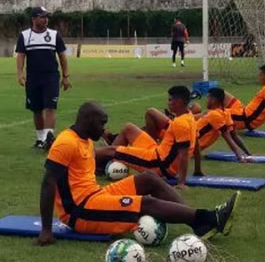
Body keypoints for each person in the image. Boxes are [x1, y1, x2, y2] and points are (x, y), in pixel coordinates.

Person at [37, 101, 239, 246]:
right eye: (101, 123)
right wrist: (46, 229)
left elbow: (87, 160)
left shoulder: (84, 139)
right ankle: (209, 218)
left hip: (95, 195)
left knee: (149, 179)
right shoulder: (65, 143)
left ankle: (196, 222)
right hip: (79, 211)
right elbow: (48, 183)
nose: (104, 128)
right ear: (88, 121)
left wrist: (111, 152)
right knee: (144, 203)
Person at [96, 86, 196, 190]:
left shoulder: (181, 123)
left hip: (157, 164)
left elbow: (184, 154)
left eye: (170, 100)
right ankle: (103, 165)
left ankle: (85, 159)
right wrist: (198, 170)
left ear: (179, 102)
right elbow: (195, 145)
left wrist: (181, 183)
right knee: (128, 128)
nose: (168, 103)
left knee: (112, 150)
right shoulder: (189, 117)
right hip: (158, 153)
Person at [16, 6, 72, 149]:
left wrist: (66, 76)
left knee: (50, 107)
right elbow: (21, 55)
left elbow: (62, 56)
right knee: (36, 109)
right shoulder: (24, 35)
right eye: (42, 17)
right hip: (33, 78)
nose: (46, 19)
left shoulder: (54, 35)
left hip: (51, 77)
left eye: (47, 16)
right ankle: (40, 140)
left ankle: (49, 139)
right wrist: (20, 73)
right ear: (34, 19)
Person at [192, 88, 252, 176]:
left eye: (208, 98)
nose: (206, 101)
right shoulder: (215, 114)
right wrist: (240, 156)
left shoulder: (223, 114)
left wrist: (247, 154)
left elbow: (233, 136)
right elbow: (228, 137)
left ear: (214, 100)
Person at [232, 65, 265, 137]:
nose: (259, 78)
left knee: (219, 114)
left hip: (245, 118)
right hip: (244, 114)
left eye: (261, 75)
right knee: (223, 102)